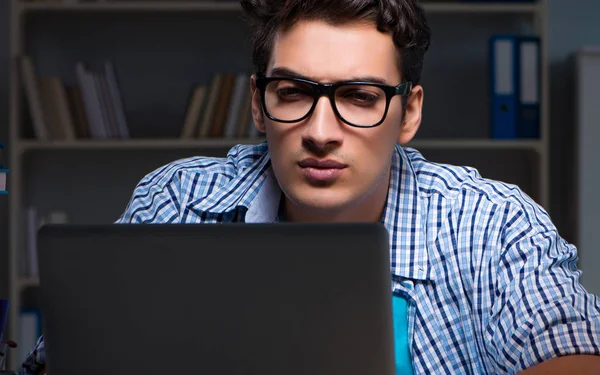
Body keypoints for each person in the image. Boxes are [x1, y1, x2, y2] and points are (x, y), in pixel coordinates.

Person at [20, 0, 600, 374]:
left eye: (361, 97)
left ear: (409, 112)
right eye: (293, 93)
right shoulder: (176, 199)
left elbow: (568, 356)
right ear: (257, 101)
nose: (320, 134)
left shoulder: (491, 222)